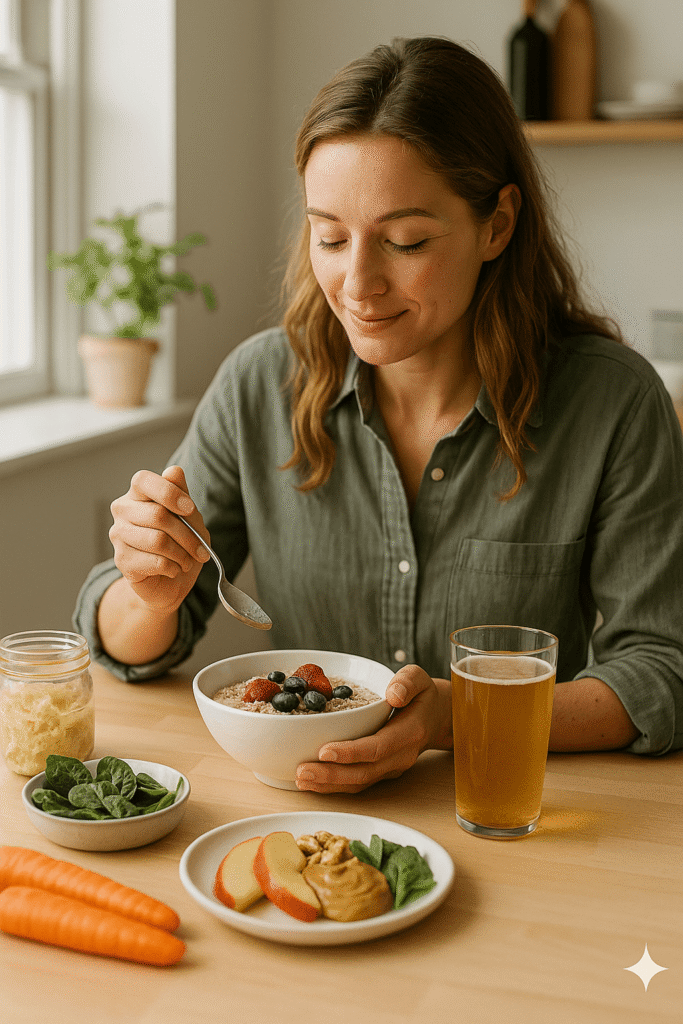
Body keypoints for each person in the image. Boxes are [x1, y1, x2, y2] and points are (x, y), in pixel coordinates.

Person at [74, 36, 683, 791]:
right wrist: (148, 591)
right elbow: (126, 643)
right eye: (329, 235)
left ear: (496, 225)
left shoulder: (613, 402)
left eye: (404, 241)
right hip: (300, 815)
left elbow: (659, 672)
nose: (356, 282)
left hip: (506, 813)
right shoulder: (258, 384)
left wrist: (450, 715)